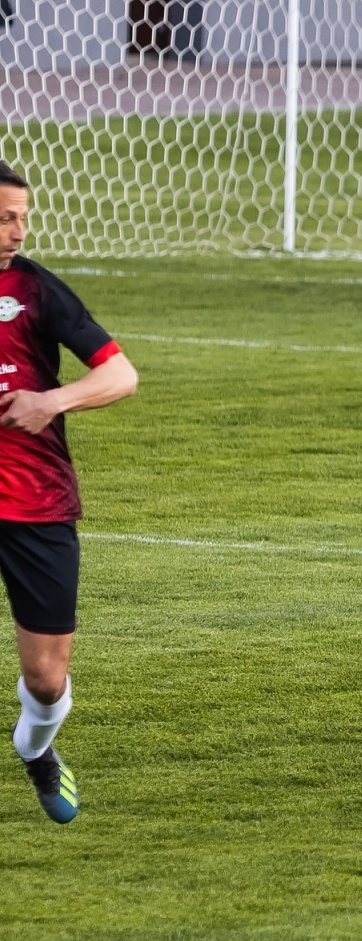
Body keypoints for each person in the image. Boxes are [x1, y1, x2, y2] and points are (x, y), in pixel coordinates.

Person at [0, 161, 139, 822]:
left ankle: (36, 750)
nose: (17, 229)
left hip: (36, 506)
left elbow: (121, 376)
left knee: (47, 679)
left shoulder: (37, 291)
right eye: (5, 215)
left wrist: (50, 400)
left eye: (22, 216)